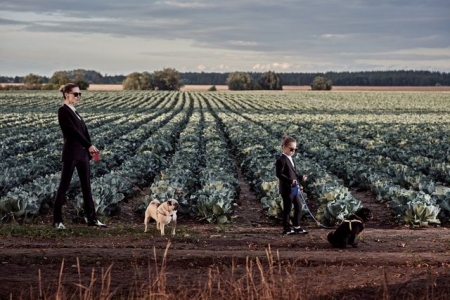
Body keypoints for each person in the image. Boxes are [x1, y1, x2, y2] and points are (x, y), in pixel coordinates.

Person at [53, 83, 106, 229]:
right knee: (63, 187)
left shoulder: (75, 111)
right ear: (66, 95)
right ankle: (57, 221)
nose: (78, 97)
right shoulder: (63, 111)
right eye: (75, 94)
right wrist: (88, 145)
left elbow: (83, 132)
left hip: (82, 153)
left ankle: (92, 219)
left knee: (86, 187)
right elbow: (72, 132)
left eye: (79, 94)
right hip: (71, 153)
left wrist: (90, 147)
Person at [275, 136, 308, 235]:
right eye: (291, 149)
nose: (293, 151)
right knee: (288, 208)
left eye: (295, 149)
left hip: (294, 187)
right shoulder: (281, 160)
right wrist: (290, 181)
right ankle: (286, 229)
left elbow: (293, 174)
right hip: (286, 188)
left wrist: (300, 178)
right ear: (284, 147)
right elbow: (279, 174)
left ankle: (297, 226)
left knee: (299, 206)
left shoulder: (291, 159)